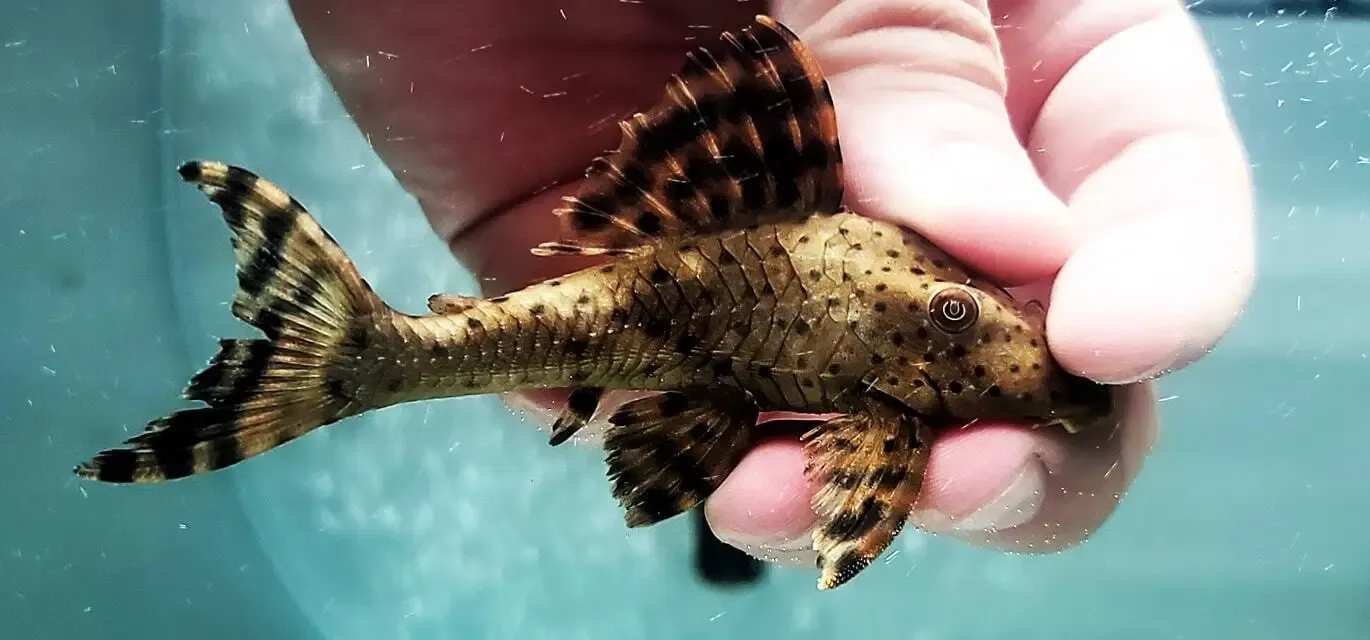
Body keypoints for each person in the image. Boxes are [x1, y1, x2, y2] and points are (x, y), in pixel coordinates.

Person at [286, 0, 1254, 570]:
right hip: (677, 300)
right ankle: (364, 360)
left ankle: (363, 359)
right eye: (954, 317)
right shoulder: (902, 374)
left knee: (761, 498)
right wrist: (893, 37)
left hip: (675, 302)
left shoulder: (896, 399)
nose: (997, 329)